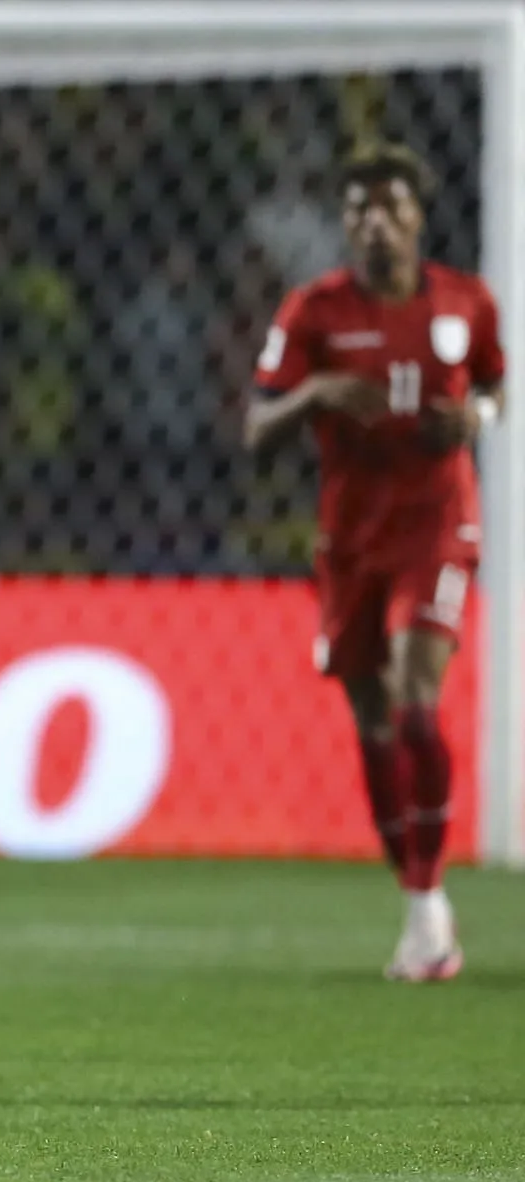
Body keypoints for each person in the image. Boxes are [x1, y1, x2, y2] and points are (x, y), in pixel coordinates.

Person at [245, 143, 505, 982]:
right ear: (345, 221)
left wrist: (477, 419)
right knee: (372, 719)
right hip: (351, 541)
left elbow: (497, 383)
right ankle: (419, 903)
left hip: (438, 525)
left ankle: (429, 902)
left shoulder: (467, 302)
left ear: (418, 216)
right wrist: (316, 395)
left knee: (417, 696)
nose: (375, 221)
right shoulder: (314, 311)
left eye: (390, 205)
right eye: (359, 208)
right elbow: (255, 428)